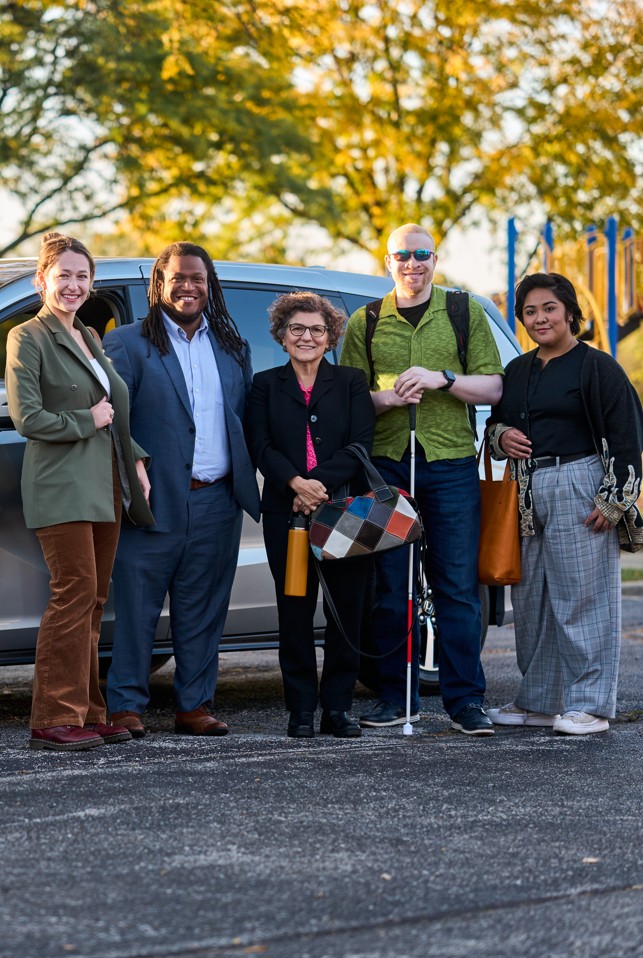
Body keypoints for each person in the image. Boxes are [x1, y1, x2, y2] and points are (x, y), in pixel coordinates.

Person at [341, 223, 504, 735]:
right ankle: (396, 698)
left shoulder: (463, 312)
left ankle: (465, 702)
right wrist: (386, 398)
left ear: (435, 259)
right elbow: (347, 399)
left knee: (455, 587)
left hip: (451, 465)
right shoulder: (363, 322)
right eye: (402, 255)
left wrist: (444, 380)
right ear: (387, 261)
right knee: (392, 590)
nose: (412, 263)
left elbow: (494, 387)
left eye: (422, 254)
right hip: (387, 468)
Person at [103, 242, 260, 738]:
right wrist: (136, 466)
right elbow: (111, 420)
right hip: (151, 501)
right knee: (136, 608)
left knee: (203, 609)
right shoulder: (128, 343)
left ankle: (195, 705)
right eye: (178, 278)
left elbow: (246, 419)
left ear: (209, 283)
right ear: (159, 283)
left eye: (197, 278)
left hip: (217, 499)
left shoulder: (233, 347)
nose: (188, 286)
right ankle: (125, 705)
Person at [5, 232, 154, 751]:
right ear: (42, 279)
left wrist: (134, 458)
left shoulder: (90, 336)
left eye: (82, 276)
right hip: (61, 485)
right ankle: (52, 716)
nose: (73, 285)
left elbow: (115, 410)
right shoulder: (28, 336)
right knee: (72, 595)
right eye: (63, 275)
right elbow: (28, 418)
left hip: (105, 482)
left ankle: (88, 712)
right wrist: (85, 420)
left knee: (92, 599)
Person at [486, 272, 643, 735]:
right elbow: (495, 425)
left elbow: (628, 437)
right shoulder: (518, 370)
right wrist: (501, 437)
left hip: (581, 483)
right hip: (528, 491)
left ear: (570, 312)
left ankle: (590, 706)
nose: (540, 318)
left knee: (583, 600)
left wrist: (614, 500)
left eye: (549, 308)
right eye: (530, 311)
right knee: (532, 600)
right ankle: (539, 702)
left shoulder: (597, 367)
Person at [246, 292, 375, 738]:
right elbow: (260, 445)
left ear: (330, 336)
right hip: (287, 514)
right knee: (295, 611)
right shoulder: (264, 384)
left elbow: (360, 444)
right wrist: (294, 485)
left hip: (342, 511)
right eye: (297, 329)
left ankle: (337, 709)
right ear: (282, 337)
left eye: (317, 329)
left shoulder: (351, 382)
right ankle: (300, 710)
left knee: (345, 612)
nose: (307, 336)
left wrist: (316, 485)